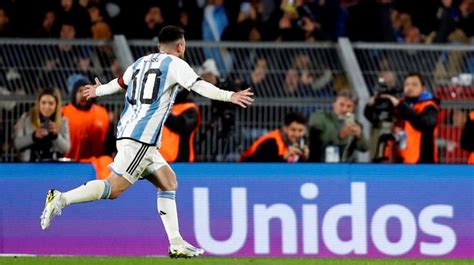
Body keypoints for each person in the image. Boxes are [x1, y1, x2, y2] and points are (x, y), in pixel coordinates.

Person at [40, 25, 254, 258]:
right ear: (180, 46)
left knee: (169, 182)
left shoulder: (141, 62)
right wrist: (229, 95)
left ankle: (176, 243)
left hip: (134, 135)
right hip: (140, 139)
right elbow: (198, 86)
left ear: (158, 45)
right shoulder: (176, 64)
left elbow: (119, 83)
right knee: (113, 189)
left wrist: (98, 91)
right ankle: (61, 198)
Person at [365, 73, 440, 164]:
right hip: (397, 159)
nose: (410, 87)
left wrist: (400, 106)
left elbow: (425, 123)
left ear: (423, 88)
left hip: (422, 162)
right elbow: (373, 118)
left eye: (414, 84)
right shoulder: (399, 104)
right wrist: (370, 105)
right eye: (407, 85)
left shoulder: (429, 106)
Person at [308, 89, 368, 162]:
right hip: (321, 164)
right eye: (341, 105)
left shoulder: (355, 124)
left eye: (349, 106)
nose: (344, 109)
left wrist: (359, 136)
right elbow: (318, 141)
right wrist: (340, 136)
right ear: (334, 104)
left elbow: (364, 148)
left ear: (353, 109)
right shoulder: (320, 117)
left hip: (345, 166)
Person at [13, 88, 70, 162]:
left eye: (51, 103)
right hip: (29, 164)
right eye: (43, 103)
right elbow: (17, 144)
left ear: (56, 105)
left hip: (53, 165)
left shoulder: (63, 121)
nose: (47, 107)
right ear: (38, 103)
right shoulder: (26, 118)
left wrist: (56, 136)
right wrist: (33, 136)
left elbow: (66, 148)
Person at [62, 76, 110, 161]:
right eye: (80, 91)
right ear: (74, 94)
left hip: (96, 163)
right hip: (69, 162)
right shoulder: (63, 112)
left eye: (86, 90)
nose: (83, 94)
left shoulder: (102, 113)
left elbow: (109, 139)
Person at [241, 112, 309, 162]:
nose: (297, 134)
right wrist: (285, 157)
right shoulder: (271, 142)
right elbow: (264, 166)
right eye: (293, 130)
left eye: (300, 130)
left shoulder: (300, 143)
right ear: (285, 128)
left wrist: (304, 158)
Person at [160, 87, 201, 162]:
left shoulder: (190, 108)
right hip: (157, 159)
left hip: (180, 159)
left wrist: (163, 111)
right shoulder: (162, 106)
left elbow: (183, 126)